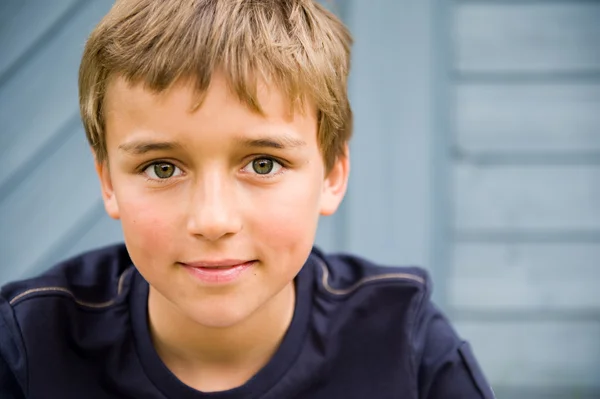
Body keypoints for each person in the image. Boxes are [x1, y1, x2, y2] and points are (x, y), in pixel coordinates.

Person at [0, 1, 495, 397]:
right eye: (162, 168)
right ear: (108, 181)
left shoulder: (404, 347)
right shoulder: (30, 345)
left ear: (332, 174)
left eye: (263, 163)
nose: (213, 220)